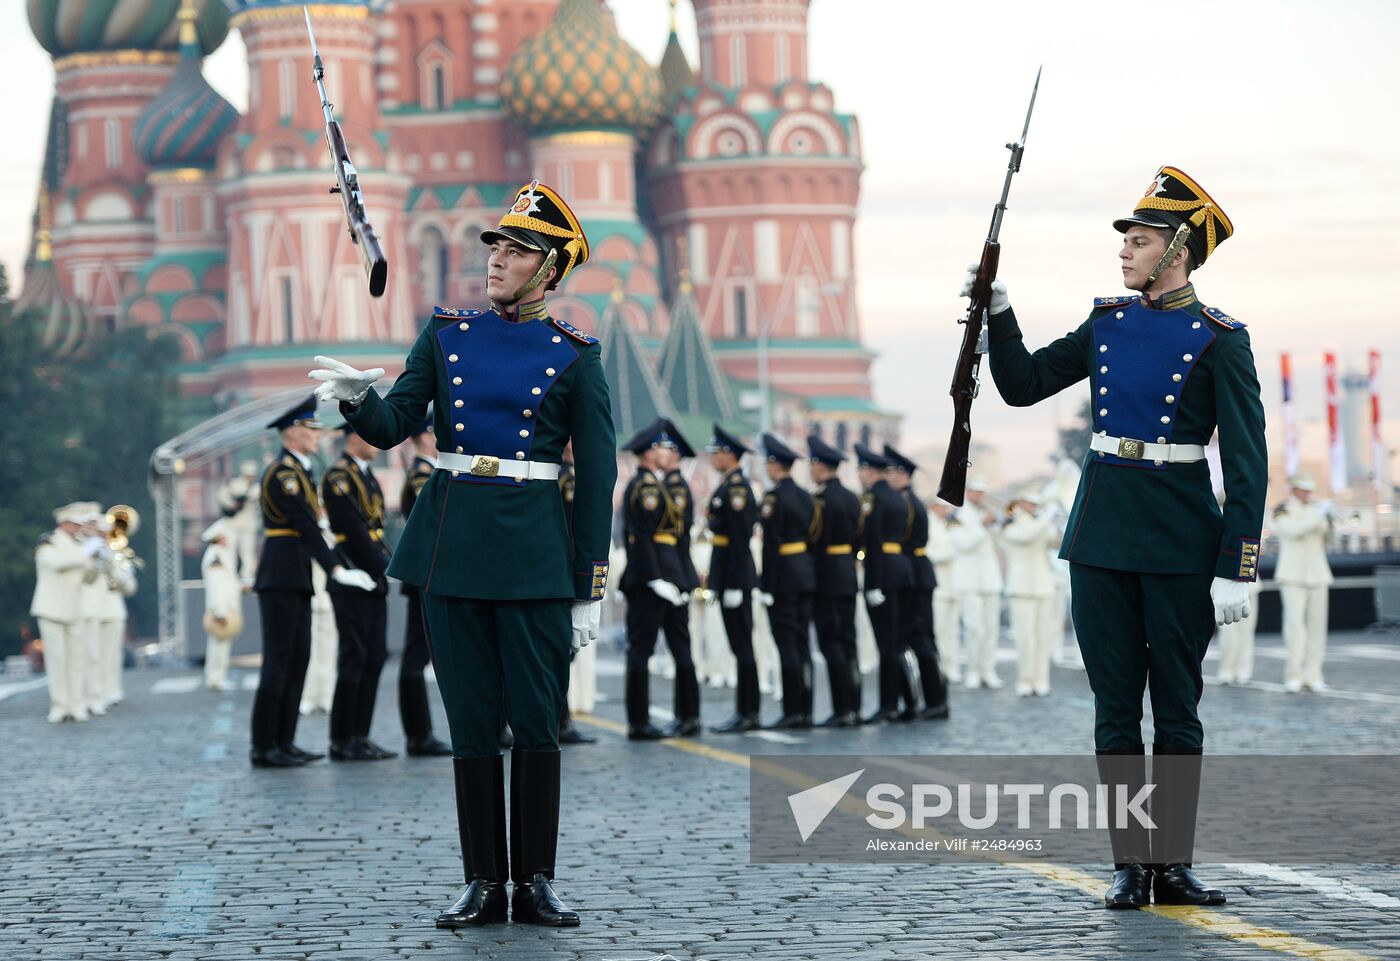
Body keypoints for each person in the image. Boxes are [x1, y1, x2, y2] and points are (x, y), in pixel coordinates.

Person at [310, 180, 615, 928]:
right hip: (452, 549)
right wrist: (356, 398)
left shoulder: (575, 356)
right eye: (497, 247)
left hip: (536, 555)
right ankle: (483, 879)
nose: (498, 259)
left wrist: (587, 584)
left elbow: (598, 475)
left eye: (516, 250)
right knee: (473, 722)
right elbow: (391, 425)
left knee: (537, 723)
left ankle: (535, 879)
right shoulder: (445, 334)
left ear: (550, 269)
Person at [974, 165, 1262, 909]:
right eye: (1126, 241)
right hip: (1101, 533)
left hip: (1180, 538)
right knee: (1112, 707)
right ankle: (1130, 863)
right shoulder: (1107, 322)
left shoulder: (1221, 339)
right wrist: (998, 311)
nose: (1125, 253)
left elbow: (1248, 461)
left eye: (1140, 241)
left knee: (1176, 707)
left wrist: (1239, 561)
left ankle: (1174, 862)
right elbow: (1023, 383)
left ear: (1179, 250)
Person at [249, 395, 377, 769]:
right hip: (280, 574)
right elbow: (306, 526)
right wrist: (336, 569)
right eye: (310, 429)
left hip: (297, 573)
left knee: (298, 660)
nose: (317, 436)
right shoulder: (284, 474)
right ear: (292, 432)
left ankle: (284, 741)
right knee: (278, 662)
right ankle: (264, 744)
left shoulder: (302, 471)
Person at [619, 419, 701, 740]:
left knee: (681, 647)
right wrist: (655, 578)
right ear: (650, 453)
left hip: (671, 578)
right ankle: (639, 721)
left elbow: (681, 537)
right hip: (649, 580)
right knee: (642, 649)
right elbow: (639, 538)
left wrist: (683, 580)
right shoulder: (643, 488)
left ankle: (690, 715)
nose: (667, 453)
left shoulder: (659, 487)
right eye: (662, 447)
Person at [322, 426, 397, 761]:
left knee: (374, 655)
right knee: (354, 656)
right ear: (352, 438)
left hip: (373, 574)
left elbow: (376, 526)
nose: (375, 444)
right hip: (354, 574)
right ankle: (342, 738)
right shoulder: (339, 477)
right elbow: (352, 531)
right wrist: (381, 567)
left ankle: (360, 734)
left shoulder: (364, 474)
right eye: (369, 437)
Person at [395, 415, 454, 755]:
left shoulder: (427, 473)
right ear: (424, 436)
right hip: (426, 574)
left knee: (420, 655)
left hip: (431, 573)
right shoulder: (422, 476)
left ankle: (421, 733)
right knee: (416, 655)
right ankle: (418, 734)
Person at [884, 445, 949, 719]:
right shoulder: (907, 500)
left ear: (902, 474)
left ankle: (935, 702)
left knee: (921, 639)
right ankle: (926, 700)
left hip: (915, 575)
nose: (887, 477)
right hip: (916, 572)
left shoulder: (906, 503)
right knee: (916, 638)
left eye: (891, 472)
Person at [756, 434, 817, 729]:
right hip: (804, 573)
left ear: (773, 464)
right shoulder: (806, 495)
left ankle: (793, 710)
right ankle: (806, 707)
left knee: (787, 644)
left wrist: (766, 585)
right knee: (803, 643)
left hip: (782, 577)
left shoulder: (774, 497)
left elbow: (771, 545)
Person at [705, 426, 762, 733]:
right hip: (728, 575)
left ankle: (749, 712)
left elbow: (740, 539)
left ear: (729, 455)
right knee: (738, 647)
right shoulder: (728, 485)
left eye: (716, 453)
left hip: (735, 577)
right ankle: (745, 710)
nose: (713, 458)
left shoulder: (737, 489)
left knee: (743, 648)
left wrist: (737, 585)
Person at [855, 444, 916, 723]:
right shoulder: (895, 496)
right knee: (897, 641)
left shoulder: (872, 498)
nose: (859, 475)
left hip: (883, 573)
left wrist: (873, 582)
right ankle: (909, 700)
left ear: (869, 471)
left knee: (886, 644)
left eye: (860, 469)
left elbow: (873, 541)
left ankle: (889, 704)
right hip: (900, 569)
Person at [807, 435, 863, 726]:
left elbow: (813, 540)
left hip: (827, 575)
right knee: (849, 641)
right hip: (847, 573)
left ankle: (842, 709)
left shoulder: (820, 500)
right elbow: (858, 537)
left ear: (820, 466)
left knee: (831, 644)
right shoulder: (852, 497)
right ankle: (855, 705)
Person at [31, 503, 101, 722]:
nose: (78, 529)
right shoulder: (49, 543)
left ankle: (76, 703)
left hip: (75, 608)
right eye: (75, 524)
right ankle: (60, 705)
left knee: (77, 659)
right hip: (51, 608)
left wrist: (97, 562)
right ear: (63, 524)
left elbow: (89, 579)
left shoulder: (81, 546)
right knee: (56, 659)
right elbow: (56, 564)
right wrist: (86, 554)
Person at [1272, 476, 1333, 692]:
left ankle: (1314, 674)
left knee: (1318, 628)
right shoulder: (1283, 509)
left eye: (1310, 490)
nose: (1308, 494)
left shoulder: (1316, 509)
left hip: (1318, 574)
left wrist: (1330, 519)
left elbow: (1329, 539)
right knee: (1294, 626)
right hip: (1292, 574)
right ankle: (1294, 674)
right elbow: (1291, 531)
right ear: (1294, 489)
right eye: (1304, 490)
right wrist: (1319, 515)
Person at [555, 448, 598, 746]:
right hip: (563, 570)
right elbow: (574, 526)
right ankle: (559, 721)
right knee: (559, 652)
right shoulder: (566, 476)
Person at [1001, 493, 1059, 696]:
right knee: (1025, 638)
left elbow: (1056, 544)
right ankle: (1025, 680)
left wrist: (1059, 525)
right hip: (1021, 587)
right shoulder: (1010, 522)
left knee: (1044, 637)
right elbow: (1026, 537)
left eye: (1036, 503)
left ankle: (1041, 681)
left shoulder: (1040, 522)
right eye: (1030, 503)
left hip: (1043, 585)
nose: (1034, 506)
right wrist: (1046, 518)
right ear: (1019, 503)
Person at [950, 482, 1004, 689]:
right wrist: (982, 526)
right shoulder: (957, 516)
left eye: (982, 492)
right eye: (976, 492)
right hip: (969, 579)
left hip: (990, 578)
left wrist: (998, 525)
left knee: (991, 629)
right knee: (974, 628)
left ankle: (988, 670)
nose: (979, 496)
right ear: (968, 493)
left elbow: (999, 543)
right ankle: (973, 670)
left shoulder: (988, 514)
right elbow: (963, 545)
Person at [201, 517, 244, 692]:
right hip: (221, 609)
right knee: (219, 645)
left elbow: (228, 582)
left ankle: (217, 676)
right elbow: (216, 585)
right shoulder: (216, 556)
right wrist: (220, 611)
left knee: (220, 645)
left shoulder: (221, 554)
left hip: (226, 607)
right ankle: (216, 677)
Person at [926, 502, 962, 683]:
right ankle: (938, 667)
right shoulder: (928, 525)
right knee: (939, 629)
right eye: (942, 507)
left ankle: (952, 666)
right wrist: (951, 552)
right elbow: (927, 553)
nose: (946, 511)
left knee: (952, 630)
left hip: (953, 585)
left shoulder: (951, 524)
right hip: (938, 584)